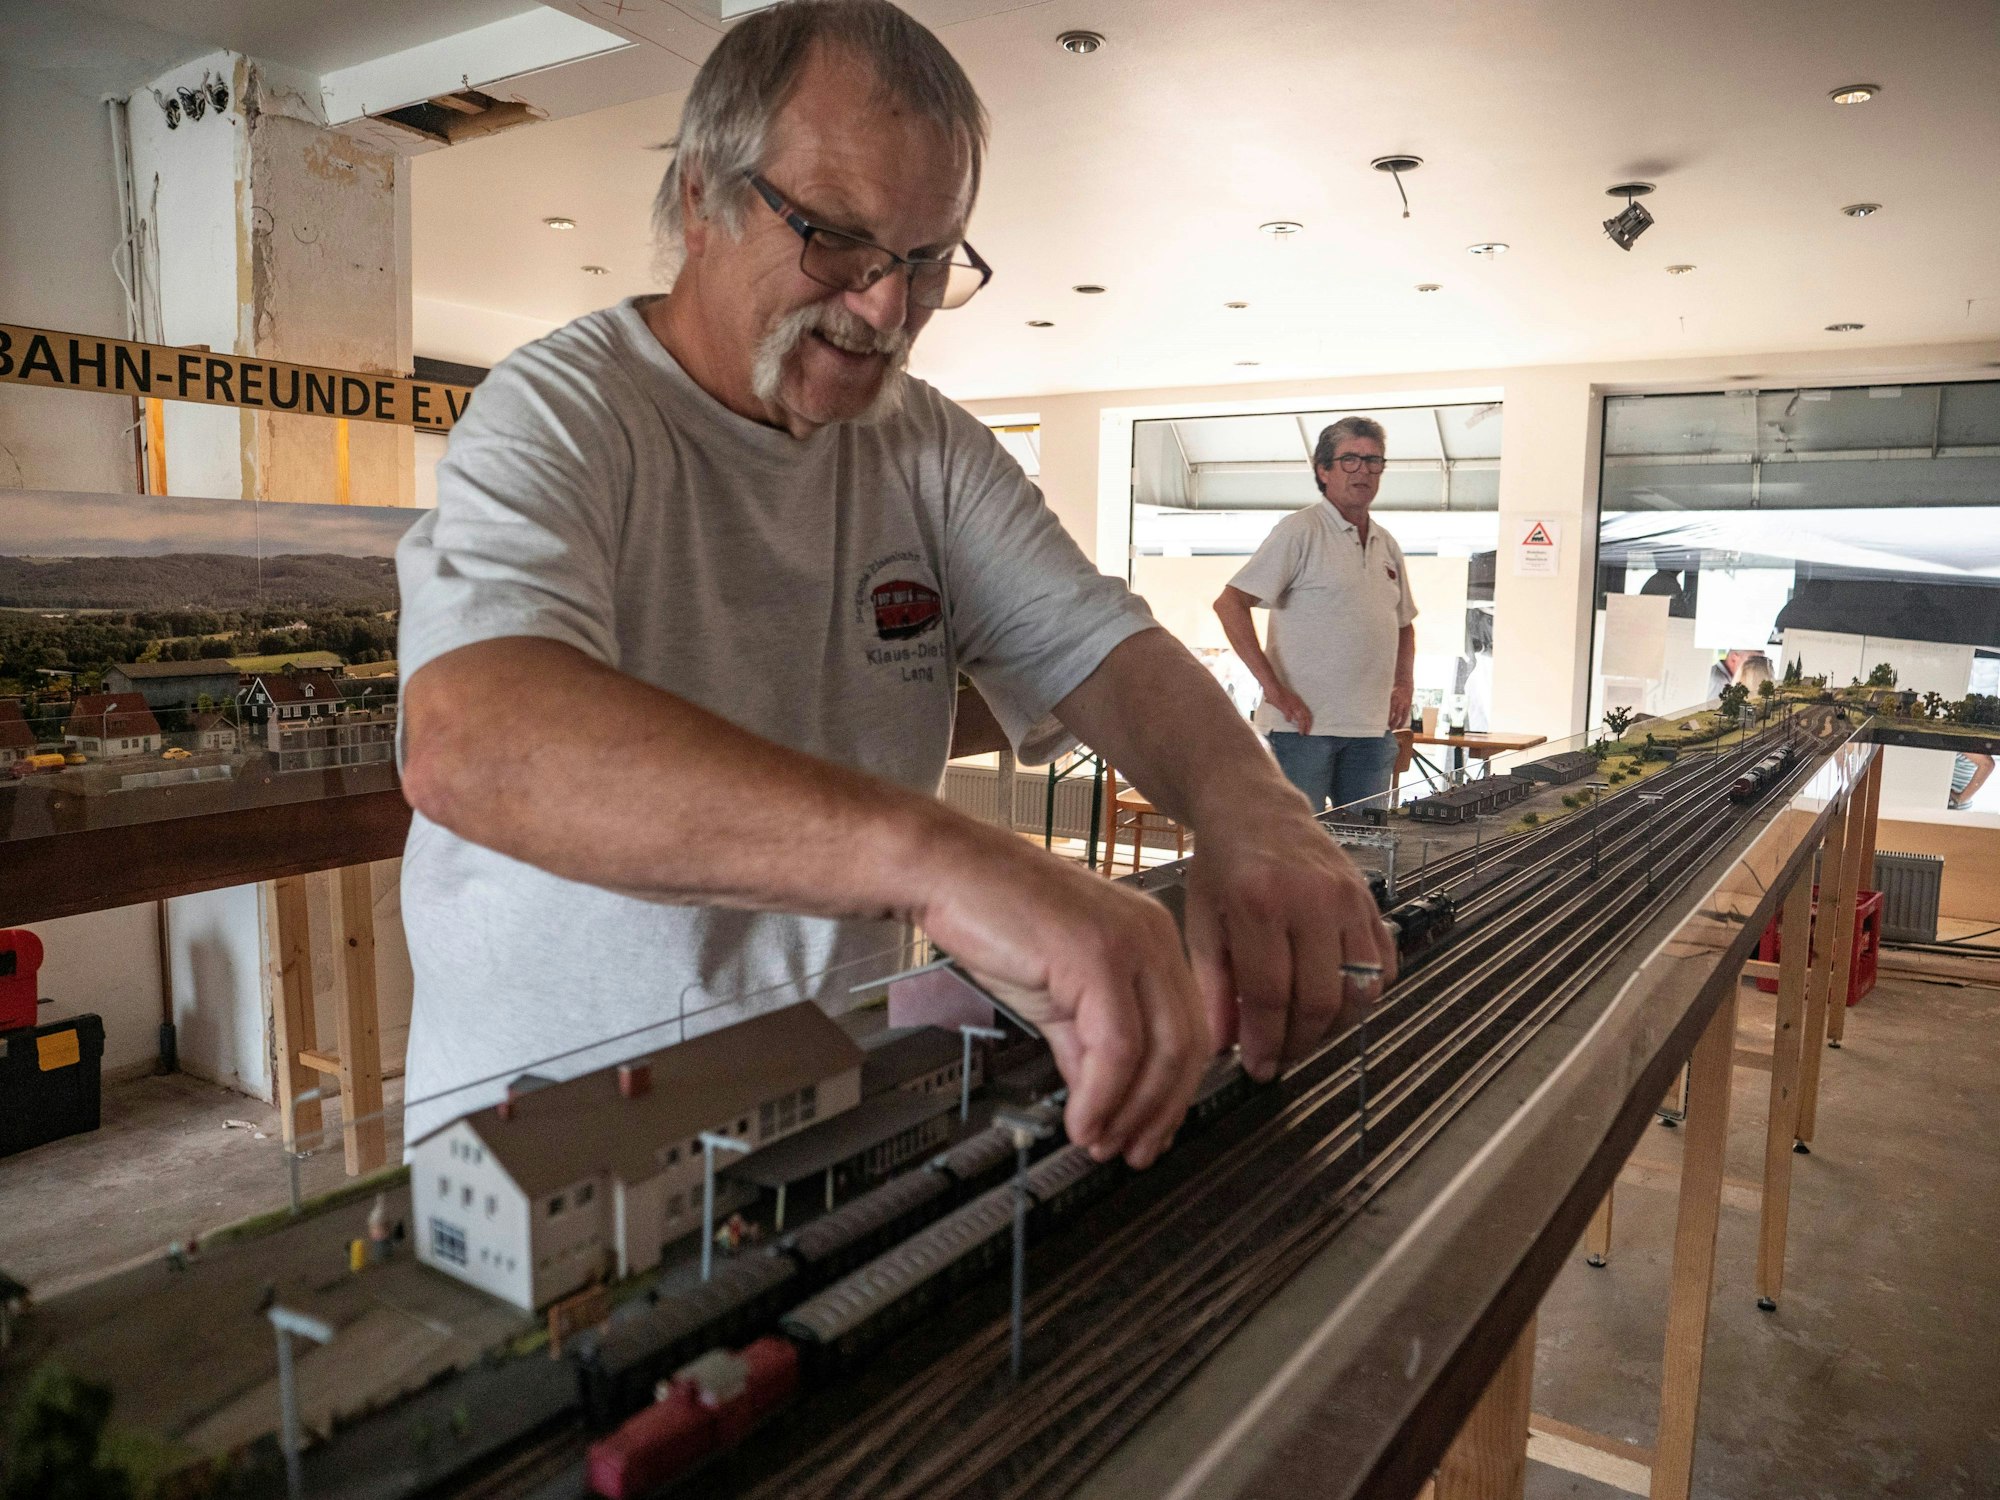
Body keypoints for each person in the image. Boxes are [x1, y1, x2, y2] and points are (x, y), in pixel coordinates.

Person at [394, 0, 1394, 1170]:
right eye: (837, 239)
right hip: (549, 1138)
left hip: (821, 1104)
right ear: (701, 201)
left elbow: (1098, 644)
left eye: (926, 261)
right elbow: (474, 741)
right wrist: (946, 863)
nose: (885, 306)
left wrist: (1255, 815)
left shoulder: (924, 446)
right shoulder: (563, 412)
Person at [1212, 417, 1418, 815]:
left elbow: (1404, 625)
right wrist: (1274, 689)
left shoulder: (1386, 543)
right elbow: (1229, 604)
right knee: (1295, 845)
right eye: (1350, 460)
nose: (1363, 471)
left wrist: (1404, 684)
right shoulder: (1299, 531)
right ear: (1323, 470)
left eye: (1373, 460)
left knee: (1364, 845)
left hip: (1371, 731)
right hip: (1301, 732)